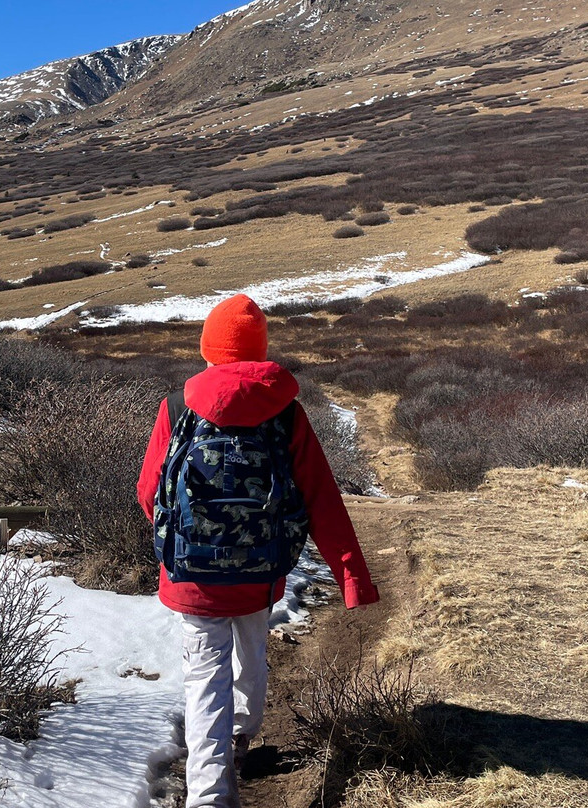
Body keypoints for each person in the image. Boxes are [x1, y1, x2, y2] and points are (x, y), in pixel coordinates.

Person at [136, 294, 379, 808]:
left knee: (205, 685)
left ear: (208, 350)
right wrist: (351, 577)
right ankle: (242, 735)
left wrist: (189, 537)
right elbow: (321, 499)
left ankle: (209, 796)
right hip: (260, 570)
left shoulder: (177, 406)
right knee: (251, 653)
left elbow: (148, 491)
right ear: (259, 351)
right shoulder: (286, 413)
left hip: (193, 577)